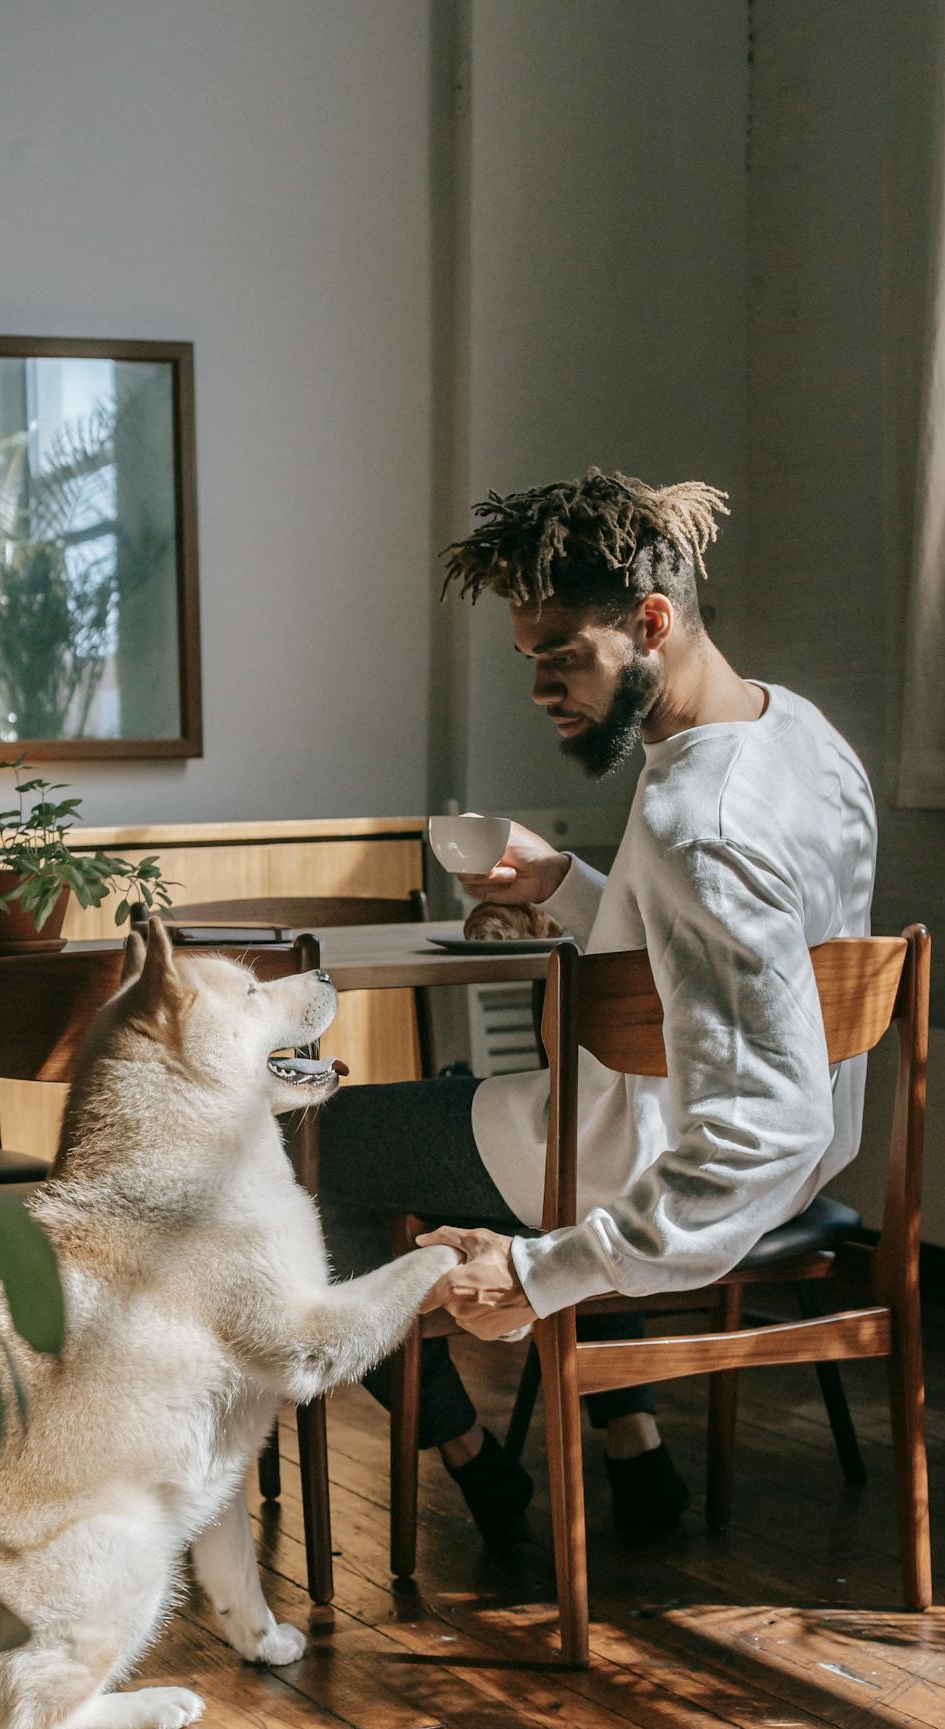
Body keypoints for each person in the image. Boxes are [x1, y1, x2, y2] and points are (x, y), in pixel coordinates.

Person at [318, 468, 876, 1547]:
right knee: (458, 1098)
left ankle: (467, 1458)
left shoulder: (693, 819)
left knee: (297, 1141)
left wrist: (532, 1271)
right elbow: (696, 962)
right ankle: (632, 1446)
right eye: (526, 656)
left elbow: (762, 1120)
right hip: (740, 1149)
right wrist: (565, 882)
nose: (537, 688)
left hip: (651, 1156)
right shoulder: (797, 736)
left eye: (558, 654)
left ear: (650, 622)